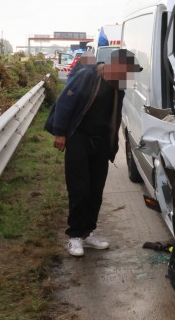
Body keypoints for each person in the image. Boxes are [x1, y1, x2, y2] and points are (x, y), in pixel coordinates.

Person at [45, 49, 141, 257]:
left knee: (95, 190)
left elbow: (114, 118)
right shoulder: (88, 76)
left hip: (101, 144)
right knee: (79, 188)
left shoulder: (119, 87)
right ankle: (75, 237)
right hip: (79, 139)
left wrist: (112, 144)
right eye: (127, 71)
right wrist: (60, 133)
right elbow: (64, 103)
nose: (128, 77)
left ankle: (88, 232)